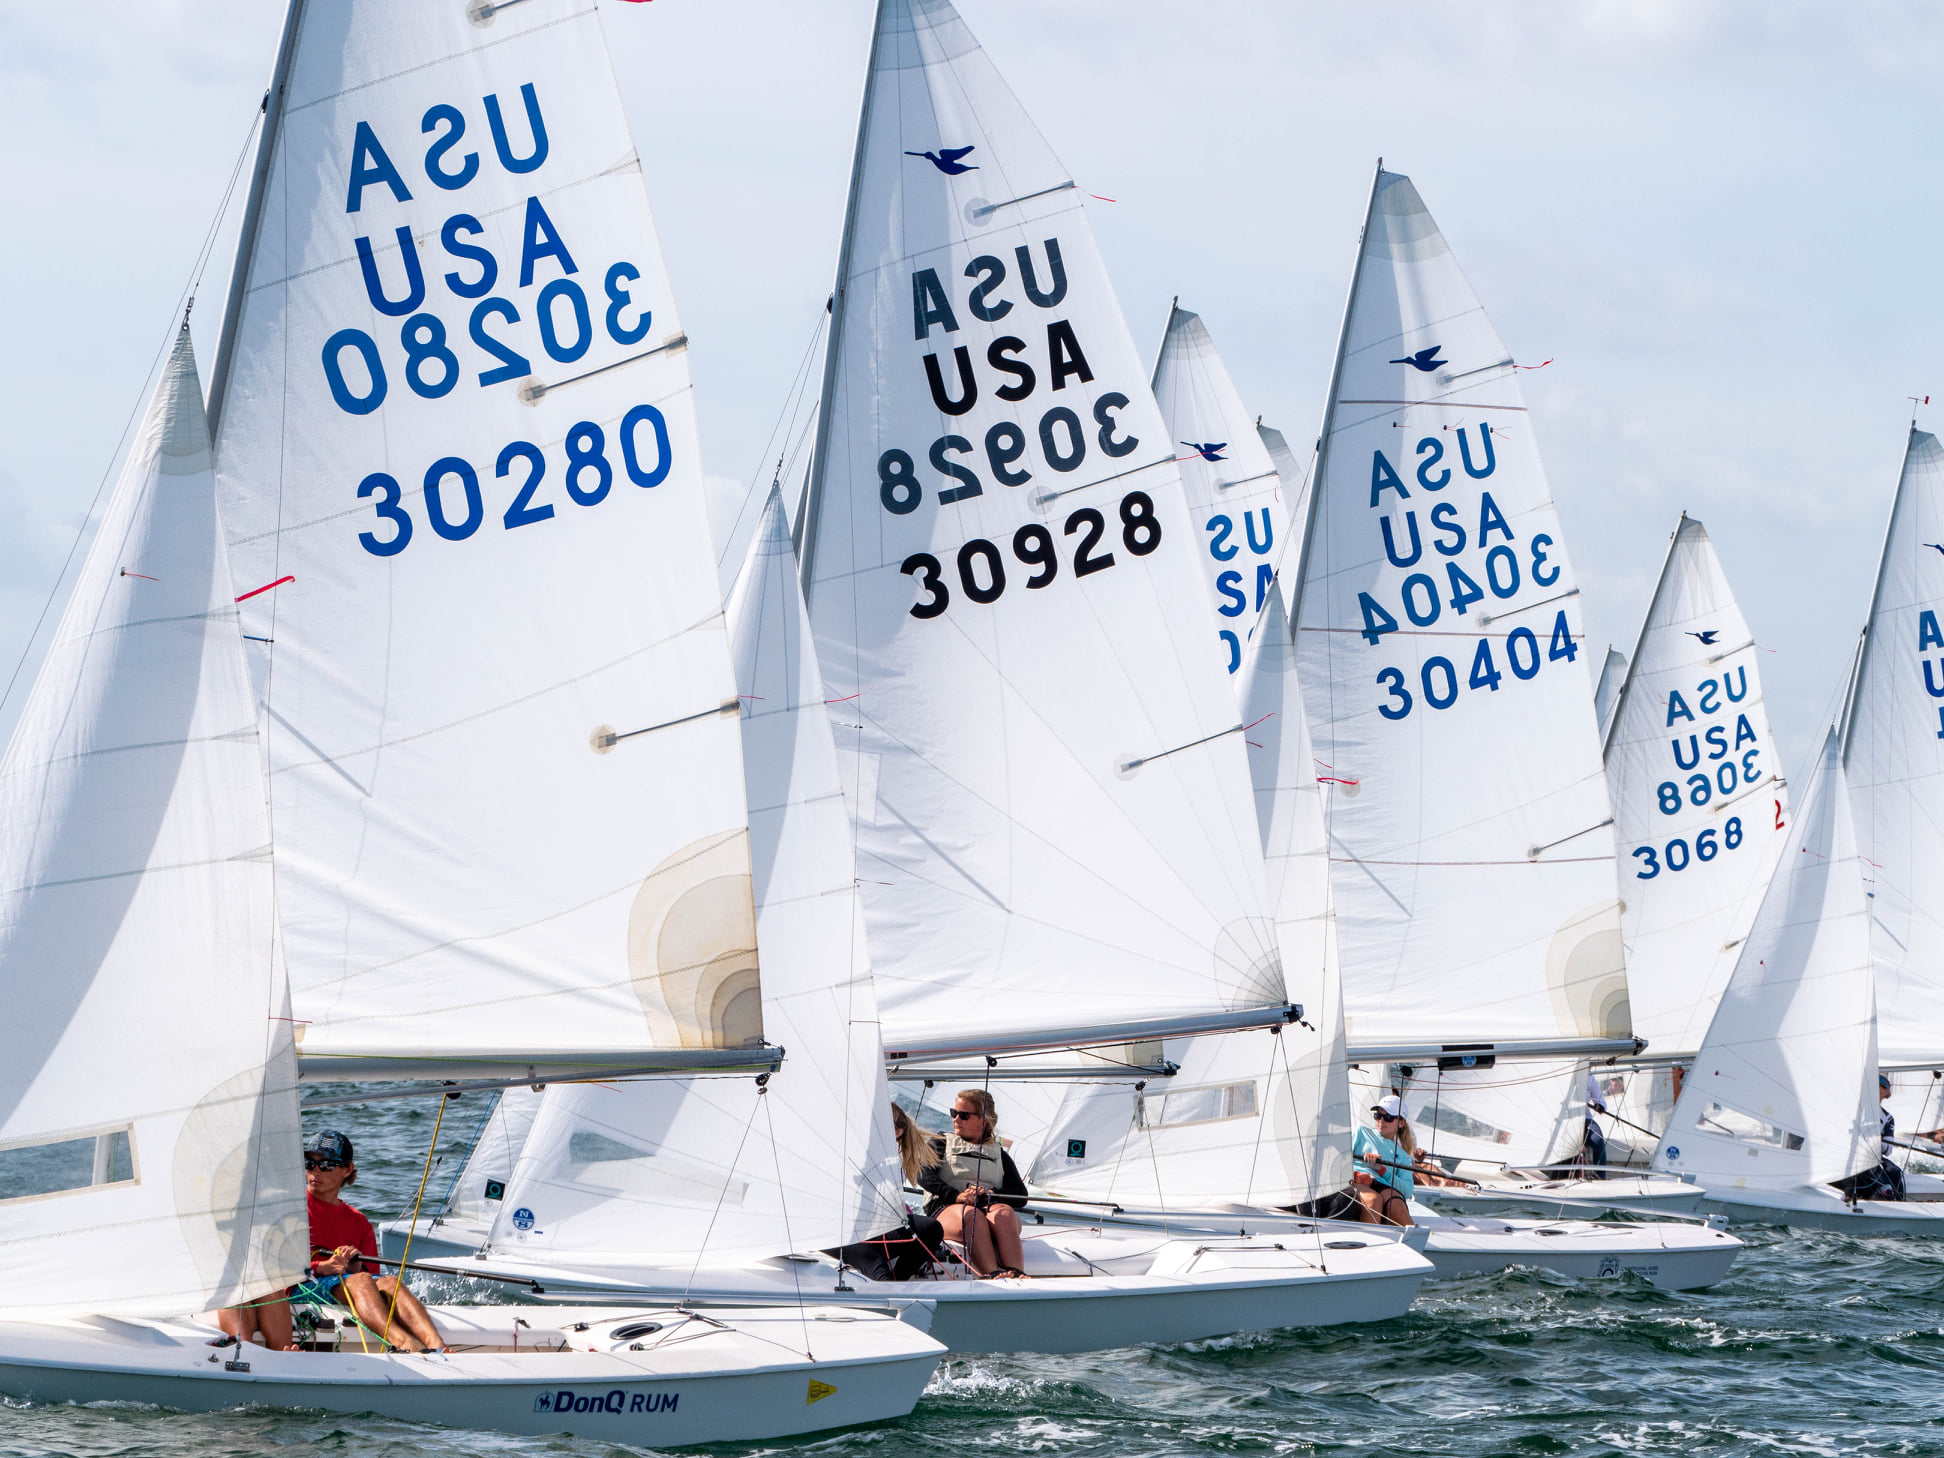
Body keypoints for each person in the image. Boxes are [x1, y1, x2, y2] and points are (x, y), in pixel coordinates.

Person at [222, 1130, 448, 1352]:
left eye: (326, 1165)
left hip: (344, 1284)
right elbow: (269, 1264)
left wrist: (355, 1266)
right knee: (361, 1281)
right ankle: (401, 1343)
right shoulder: (287, 1209)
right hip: (300, 1286)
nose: (315, 1171)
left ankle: (438, 1346)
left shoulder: (359, 1221)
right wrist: (321, 1267)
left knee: (391, 1283)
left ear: (347, 1170)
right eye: (310, 1163)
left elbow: (372, 1275)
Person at [827, 1105, 951, 1281]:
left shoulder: (893, 1158)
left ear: (898, 1133)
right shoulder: (843, 1146)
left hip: (875, 1228)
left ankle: (897, 1281)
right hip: (839, 1232)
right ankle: (889, 1286)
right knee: (876, 1265)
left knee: (932, 1229)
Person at [915, 1089, 1030, 1277]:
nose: (956, 1119)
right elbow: (923, 1175)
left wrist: (991, 1194)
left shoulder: (999, 1154)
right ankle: (992, 1274)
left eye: (964, 1115)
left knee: (1005, 1214)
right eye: (954, 1113)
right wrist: (957, 1196)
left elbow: (1020, 1195)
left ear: (984, 1121)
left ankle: (1017, 1273)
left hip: (987, 1208)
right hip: (947, 1208)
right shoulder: (940, 1143)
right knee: (972, 1216)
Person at [1837, 1075, 1908, 1202]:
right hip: (1852, 1154)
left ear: (1886, 1090)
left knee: (1894, 1171)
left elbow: (1888, 1149)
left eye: (1880, 1084)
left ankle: (1898, 1202)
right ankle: (1884, 1191)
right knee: (1870, 1169)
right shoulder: (1854, 1109)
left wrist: (1873, 1141)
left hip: (1874, 1155)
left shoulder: (1888, 1118)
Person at [1350, 1097, 1416, 1227]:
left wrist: (1382, 1171)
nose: (1381, 1121)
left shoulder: (1404, 1157)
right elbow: (1337, 1160)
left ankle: (1417, 1237)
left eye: (1388, 1117)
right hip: (1357, 1180)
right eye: (1378, 1115)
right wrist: (1355, 1174)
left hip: (1382, 1185)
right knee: (1373, 1200)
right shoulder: (1361, 1132)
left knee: (1396, 1206)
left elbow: (1407, 1191)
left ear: (1401, 1122)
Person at [1581, 1070, 1610, 1178]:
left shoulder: (1590, 1078)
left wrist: (1600, 1106)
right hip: (1565, 1120)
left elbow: (1601, 1101)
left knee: (1597, 1139)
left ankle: (1600, 1175)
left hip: (1585, 1118)